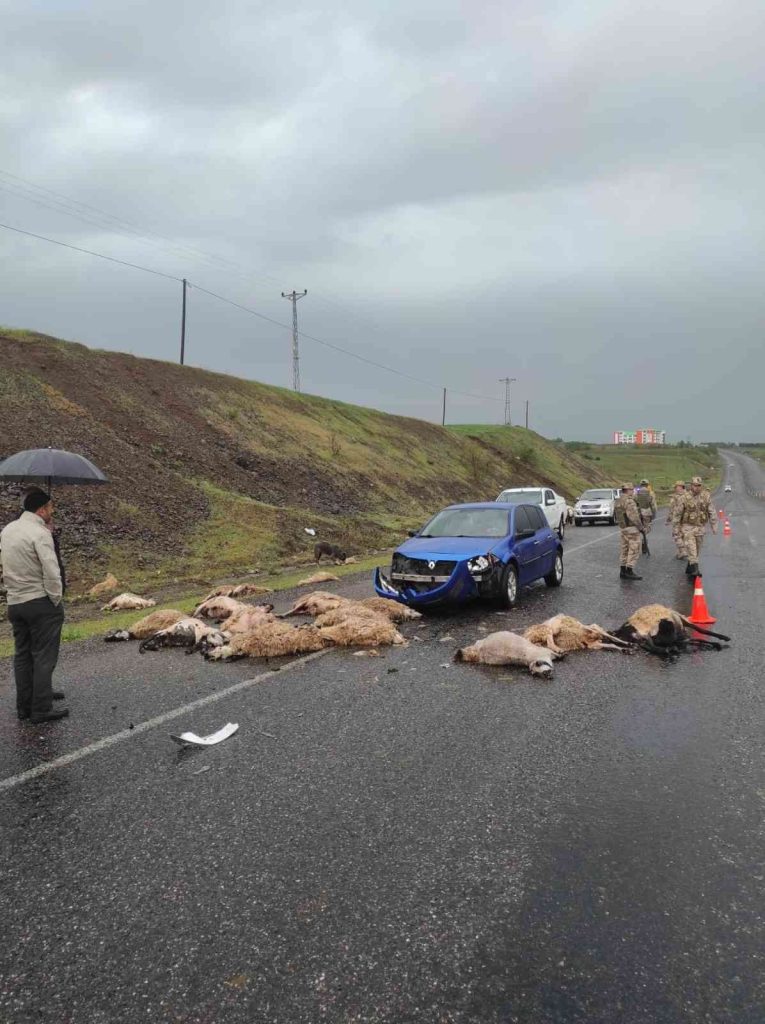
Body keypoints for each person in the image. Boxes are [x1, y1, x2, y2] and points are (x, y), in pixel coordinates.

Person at [0, 490, 68, 722]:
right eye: (50, 507)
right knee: (44, 656)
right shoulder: (40, 533)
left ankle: (24, 706)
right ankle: (41, 709)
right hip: (40, 602)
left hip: (15, 602)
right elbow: (51, 570)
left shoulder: (7, 530)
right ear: (41, 510)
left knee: (23, 655)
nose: (52, 511)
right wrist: (55, 598)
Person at [672, 475, 717, 578]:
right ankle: (696, 570)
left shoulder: (706, 496)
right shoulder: (684, 498)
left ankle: (689, 568)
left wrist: (714, 525)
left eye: (699, 485)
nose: (697, 487)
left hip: (700, 527)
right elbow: (677, 514)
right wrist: (676, 529)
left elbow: (712, 511)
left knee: (696, 550)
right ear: (691, 485)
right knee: (691, 549)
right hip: (687, 527)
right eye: (695, 485)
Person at [614, 482, 644, 580]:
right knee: (634, 549)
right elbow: (633, 516)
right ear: (629, 490)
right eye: (632, 490)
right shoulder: (629, 501)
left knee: (624, 549)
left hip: (623, 528)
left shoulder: (618, 500)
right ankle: (629, 570)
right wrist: (641, 527)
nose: (633, 491)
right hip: (632, 529)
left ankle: (622, 570)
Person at [666, 480, 687, 560]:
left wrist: (668, 520)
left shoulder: (675, 497)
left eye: (676, 487)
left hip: (677, 520)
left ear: (681, 487)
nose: (675, 489)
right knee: (683, 536)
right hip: (686, 520)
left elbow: (671, 509)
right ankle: (680, 552)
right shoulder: (689, 496)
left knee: (676, 535)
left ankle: (683, 551)